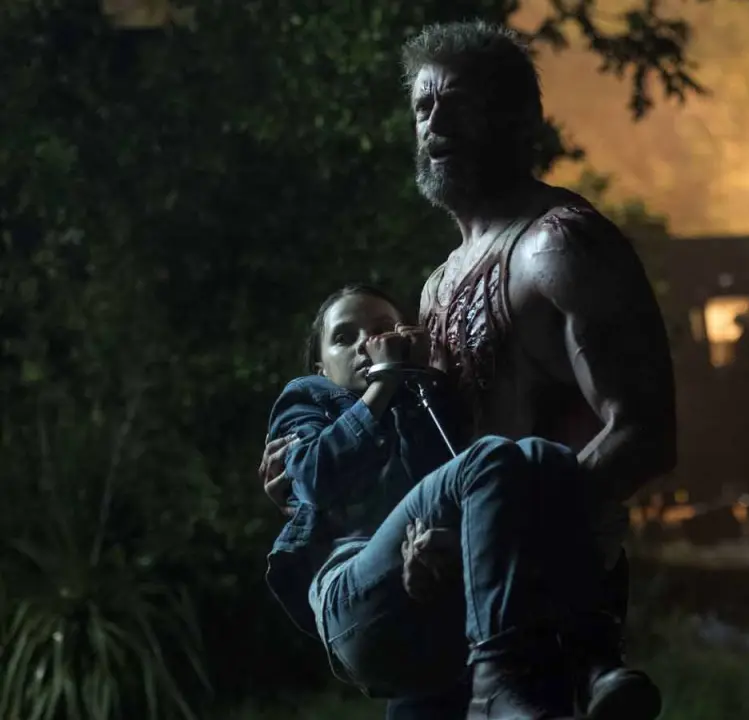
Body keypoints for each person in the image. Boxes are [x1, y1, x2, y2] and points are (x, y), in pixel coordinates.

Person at [260, 19, 677, 719]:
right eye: (423, 107)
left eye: (457, 102)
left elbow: (645, 434)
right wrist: (318, 486)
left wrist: (493, 538)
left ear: (515, 119)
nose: (435, 122)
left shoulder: (559, 248)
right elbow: (433, 460)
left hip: (538, 607)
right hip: (441, 597)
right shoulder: (435, 289)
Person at [266, 284, 612, 719]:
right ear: (321, 366)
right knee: (489, 456)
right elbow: (314, 479)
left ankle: (595, 658)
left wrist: (435, 545)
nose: (365, 344)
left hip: (432, 605)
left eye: (381, 331)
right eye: (344, 337)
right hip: (350, 591)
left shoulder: (423, 403)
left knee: (546, 457)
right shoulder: (310, 398)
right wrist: (382, 382)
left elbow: (452, 494)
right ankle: (499, 677)